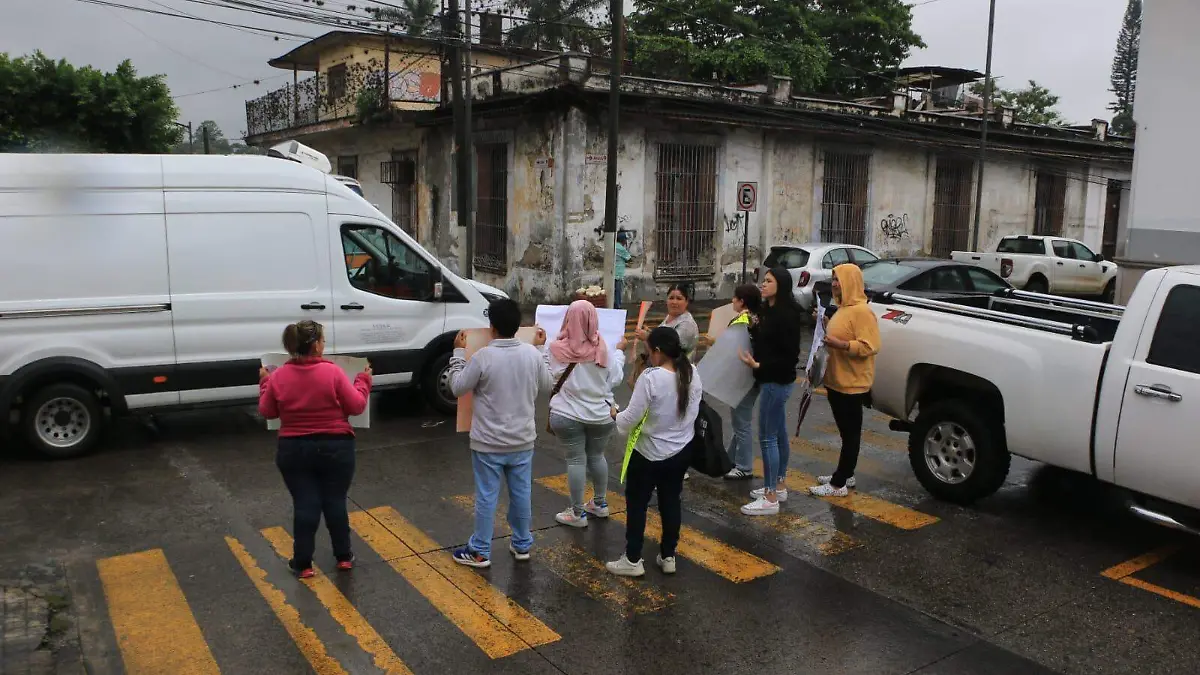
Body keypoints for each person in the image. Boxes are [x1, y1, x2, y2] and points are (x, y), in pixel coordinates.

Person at [258, 320, 372, 579]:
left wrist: (264, 383)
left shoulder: (278, 377)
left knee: (305, 503)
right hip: (336, 446)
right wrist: (363, 380)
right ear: (316, 346)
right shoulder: (332, 373)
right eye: (322, 340)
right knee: (335, 501)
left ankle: (303, 563)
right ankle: (343, 556)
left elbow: (268, 411)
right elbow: (356, 406)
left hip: (293, 448)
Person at [447, 298, 551, 567]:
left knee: (486, 497)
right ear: (518, 326)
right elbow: (548, 384)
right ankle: (522, 544)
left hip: (488, 443)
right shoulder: (531, 354)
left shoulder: (483, 357)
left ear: (491, 327)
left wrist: (458, 353)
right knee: (521, 494)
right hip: (522, 441)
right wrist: (542, 349)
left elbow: (457, 387)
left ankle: (480, 550)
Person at [607, 327, 703, 577]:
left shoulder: (650, 378)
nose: (648, 356)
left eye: (649, 351)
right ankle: (668, 555)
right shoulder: (692, 372)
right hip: (681, 450)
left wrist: (616, 414)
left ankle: (632, 559)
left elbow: (631, 418)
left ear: (658, 351)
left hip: (648, 453)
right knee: (670, 502)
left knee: (637, 504)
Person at [548, 300, 626, 528]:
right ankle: (600, 504)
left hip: (567, 414)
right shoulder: (603, 348)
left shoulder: (555, 349)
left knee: (575, 460)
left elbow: (548, 377)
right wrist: (620, 352)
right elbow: (616, 378)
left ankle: (577, 513)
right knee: (597, 456)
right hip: (601, 415)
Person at [808, 263, 880, 497]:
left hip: (852, 384)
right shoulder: (843, 308)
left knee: (850, 435)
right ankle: (846, 473)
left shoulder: (862, 312)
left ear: (851, 281)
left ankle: (838, 484)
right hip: (836, 380)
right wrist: (824, 324)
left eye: (838, 279)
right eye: (833, 279)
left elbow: (870, 346)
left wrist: (842, 345)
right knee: (845, 433)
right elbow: (839, 332)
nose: (834, 284)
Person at [737, 268, 803, 516]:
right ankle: (779, 485)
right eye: (763, 280)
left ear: (781, 285)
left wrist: (758, 366)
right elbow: (765, 340)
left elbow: (789, 356)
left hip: (776, 381)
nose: (763, 285)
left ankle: (770, 496)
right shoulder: (769, 311)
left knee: (767, 437)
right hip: (771, 380)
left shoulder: (786, 315)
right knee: (778, 433)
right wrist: (753, 325)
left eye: (768, 281)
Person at [723, 283, 763, 480]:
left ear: (742, 301)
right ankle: (730, 458)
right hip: (752, 377)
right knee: (740, 421)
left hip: (744, 377)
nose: (732, 301)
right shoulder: (757, 317)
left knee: (741, 423)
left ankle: (744, 466)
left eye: (735, 297)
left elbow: (731, 347)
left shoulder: (742, 319)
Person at [614, 232, 632, 310]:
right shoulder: (621, 248)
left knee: (612, 291)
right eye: (625, 240)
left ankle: (613, 305)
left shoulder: (613, 246)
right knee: (618, 291)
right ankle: (618, 306)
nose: (626, 242)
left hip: (611, 273)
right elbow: (629, 259)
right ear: (623, 240)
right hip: (618, 273)